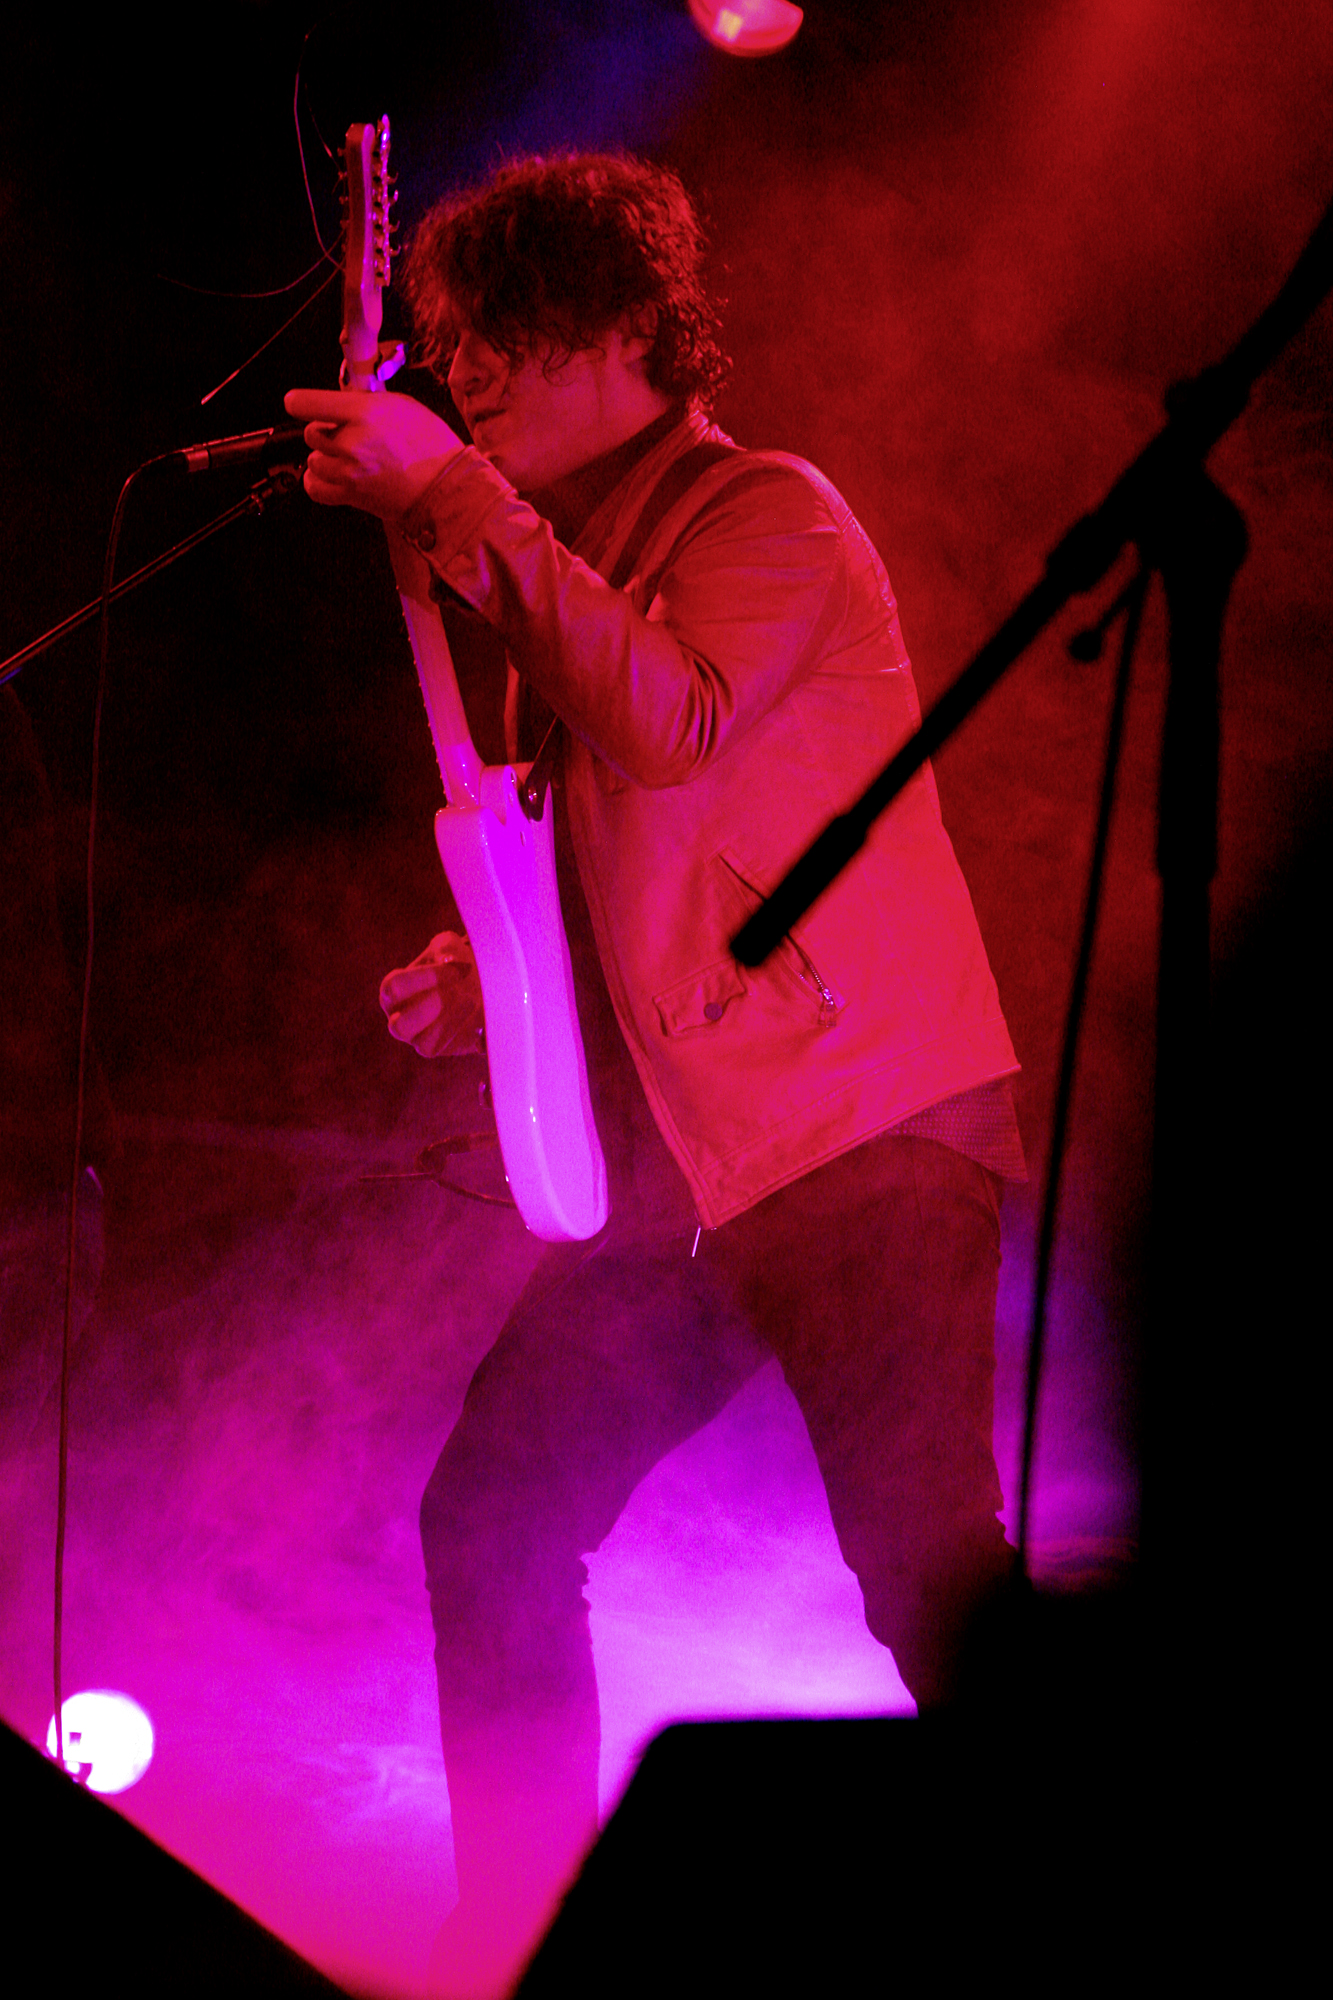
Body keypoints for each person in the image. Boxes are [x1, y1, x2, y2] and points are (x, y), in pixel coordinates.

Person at [286, 152, 1025, 1995]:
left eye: (498, 340)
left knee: (925, 1572)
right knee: (493, 1511)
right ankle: (521, 1934)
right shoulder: (567, 575)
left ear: (622, 329)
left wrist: (450, 499)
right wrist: (491, 981)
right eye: (451, 347)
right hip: (693, 1171)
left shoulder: (764, 510)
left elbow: (671, 719)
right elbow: (630, 861)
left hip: (859, 1130)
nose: (465, 378)